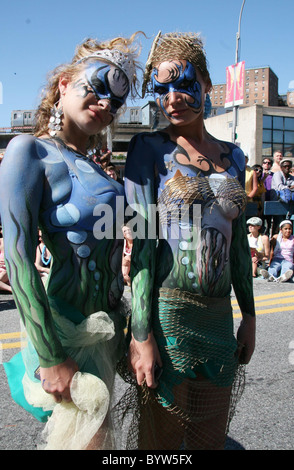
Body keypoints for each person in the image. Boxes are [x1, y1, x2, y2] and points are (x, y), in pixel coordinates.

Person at [0, 34, 141, 450]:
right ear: (63, 83)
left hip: (107, 330)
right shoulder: (29, 152)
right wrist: (49, 357)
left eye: (115, 103)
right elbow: (19, 257)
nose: (105, 106)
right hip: (61, 335)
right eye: (95, 90)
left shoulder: (100, 169)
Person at [124, 31, 256, 450]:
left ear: (206, 85)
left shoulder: (233, 155)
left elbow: (237, 246)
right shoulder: (147, 149)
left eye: (184, 85)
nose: (173, 97)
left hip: (218, 317)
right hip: (168, 318)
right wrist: (141, 334)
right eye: (161, 89)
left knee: (208, 439)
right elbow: (143, 247)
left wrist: (249, 316)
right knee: (161, 443)